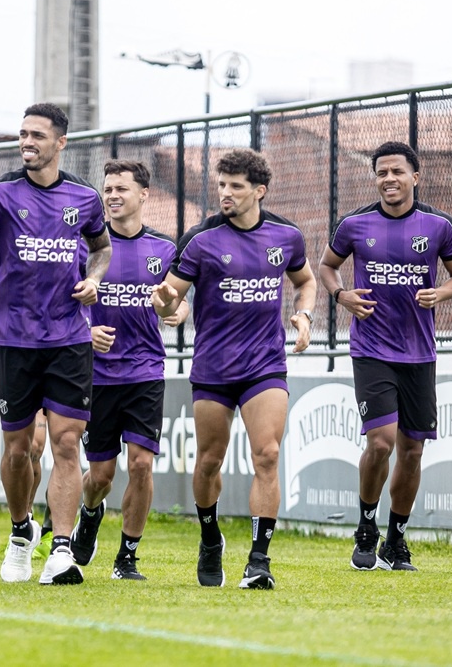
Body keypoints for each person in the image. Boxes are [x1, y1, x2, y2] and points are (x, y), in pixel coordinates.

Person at [0, 103, 111, 585]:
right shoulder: (1, 193)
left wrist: (94, 280)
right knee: (19, 449)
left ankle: (60, 550)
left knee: (67, 442)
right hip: (15, 339)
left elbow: (102, 250)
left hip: (68, 336)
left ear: (60, 142)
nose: (27, 143)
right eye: (22, 134)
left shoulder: (84, 199)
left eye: (37, 135)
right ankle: (21, 532)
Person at [152, 148, 316, 590]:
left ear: (259, 191)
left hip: (265, 365)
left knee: (268, 454)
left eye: (236, 186)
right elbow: (172, 294)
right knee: (209, 461)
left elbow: (305, 281)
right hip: (214, 368)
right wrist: (166, 302)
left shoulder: (286, 236)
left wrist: (304, 316)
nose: (225, 193)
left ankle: (259, 561)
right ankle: (210, 539)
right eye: (221, 185)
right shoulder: (200, 240)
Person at [318, 141, 452, 572]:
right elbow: (327, 267)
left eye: (397, 172)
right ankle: (366, 528)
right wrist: (341, 295)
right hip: (371, 349)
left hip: (419, 353)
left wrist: (440, 291)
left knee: (413, 450)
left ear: (415, 177)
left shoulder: (439, 226)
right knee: (381, 441)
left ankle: (396, 541)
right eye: (382, 172)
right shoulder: (354, 224)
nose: (389, 179)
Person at [70, 159, 189, 581]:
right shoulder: (85, 248)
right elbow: (59, 304)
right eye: (108, 189)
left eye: (122, 188)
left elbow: (178, 297)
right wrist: (87, 332)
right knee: (101, 475)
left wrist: (174, 309)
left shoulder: (164, 249)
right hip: (96, 376)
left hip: (145, 372)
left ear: (144, 195)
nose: (113, 196)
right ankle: (88, 513)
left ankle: (127, 557)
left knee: (141, 464)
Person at [0, 264, 52, 560]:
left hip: (64, 351)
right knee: (27, 447)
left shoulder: (76, 242)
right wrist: (7, 304)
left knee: (58, 446)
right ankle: (23, 520)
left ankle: (54, 530)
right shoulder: (14, 244)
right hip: (21, 352)